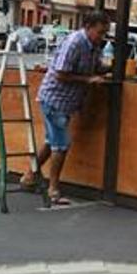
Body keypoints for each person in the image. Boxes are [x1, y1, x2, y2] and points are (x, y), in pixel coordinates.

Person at [19, 11, 110, 205]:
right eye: (100, 32)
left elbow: (94, 67)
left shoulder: (93, 46)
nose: (102, 37)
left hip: (66, 101)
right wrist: (89, 79)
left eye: (104, 33)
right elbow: (61, 73)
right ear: (88, 27)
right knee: (61, 144)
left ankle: (29, 176)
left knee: (51, 141)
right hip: (55, 98)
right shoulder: (75, 43)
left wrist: (109, 67)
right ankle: (53, 189)